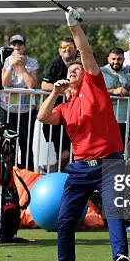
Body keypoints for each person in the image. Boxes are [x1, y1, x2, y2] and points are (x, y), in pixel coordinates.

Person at [37, 7, 129, 261]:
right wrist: (54, 91)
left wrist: (73, 25)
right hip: (79, 168)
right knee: (64, 222)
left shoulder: (94, 85)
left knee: (113, 211)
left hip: (109, 163)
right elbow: (42, 117)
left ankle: (120, 257)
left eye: (77, 69)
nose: (74, 70)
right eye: (70, 70)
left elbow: (85, 53)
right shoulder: (64, 106)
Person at [0, 34, 39, 171]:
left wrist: (21, 67)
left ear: (24, 46)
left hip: (27, 111)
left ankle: (29, 175)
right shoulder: (6, 61)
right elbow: (4, 83)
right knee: (9, 144)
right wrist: (11, 66)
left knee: (26, 144)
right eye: (14, 44)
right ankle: (9, 174)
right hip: (8, 109)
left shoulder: (32, 62)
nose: (17, 47)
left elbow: (32, 85)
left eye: (19, 44)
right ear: (10, 46)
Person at [41, 37, 75, 171]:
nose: (67, 50)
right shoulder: (54, 64)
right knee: (59, 150)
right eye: (64, 47)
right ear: (59, 51)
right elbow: (44, 84)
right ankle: (54, 173)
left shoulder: (79, 64)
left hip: (73, 113)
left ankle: (64, 173)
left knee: (69, 148)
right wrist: (63, 89)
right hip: (55, 113)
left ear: (76, 49)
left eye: (70, 47)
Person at [101, 47, 130, 143]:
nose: (116, 62)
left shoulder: (129, 71)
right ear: (108, 59)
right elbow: (96, 90)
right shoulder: (101, 72)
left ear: (123, 59)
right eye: (113, 59)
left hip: (124, 120)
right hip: (105, 119)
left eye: (119, 59)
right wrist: (114, 91)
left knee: (123, 150)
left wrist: (124, 91)